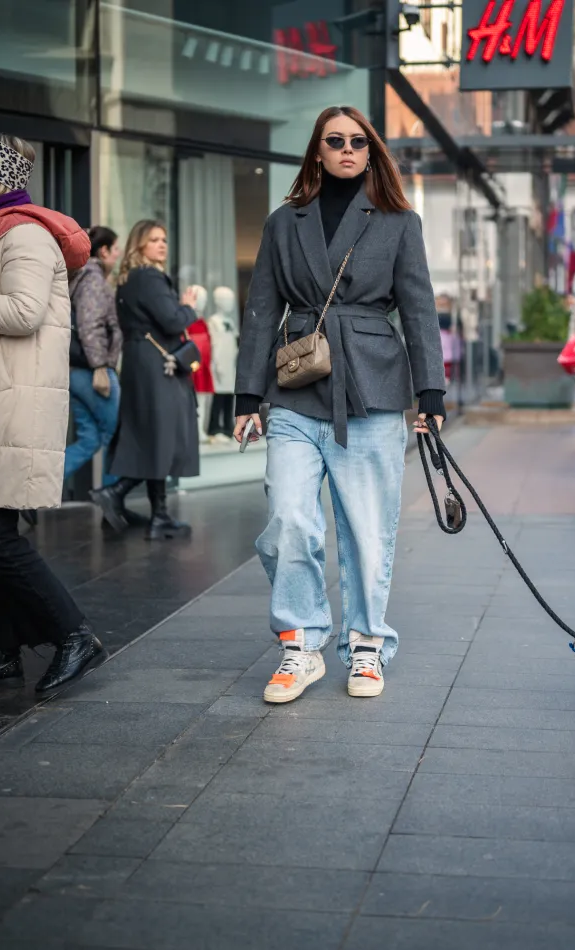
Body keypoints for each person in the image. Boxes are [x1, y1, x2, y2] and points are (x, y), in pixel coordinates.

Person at [233, 105, 445, 704]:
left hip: (374, 386)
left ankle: (366, 646)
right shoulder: (284, 222)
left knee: (368, 530)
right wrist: (248, 396)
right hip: (297, 387)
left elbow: (420, 307)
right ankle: (300, 644)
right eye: (335, 140)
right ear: (317, 151)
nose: (348, 149)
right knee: (288, 519)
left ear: (371, 152)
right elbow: (261, 311)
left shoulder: (399, 221)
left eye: (359, 142)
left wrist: (431, 393)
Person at [0, 132, 106, 693]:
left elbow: (21, 310)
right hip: (4, 400)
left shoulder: (24, 235)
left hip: (13, 405)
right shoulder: (3, 233)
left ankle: (73, 634)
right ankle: (4, 648)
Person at [90, 220, 199, 539]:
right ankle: (116, 493)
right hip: (157, 365)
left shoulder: (127, 279)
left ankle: (159, 515)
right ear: (140, 245)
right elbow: (173, 320)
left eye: (164, 239)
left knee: (152, 436)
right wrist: (189, 308)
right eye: (154, 240)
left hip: (139, 361)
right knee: (163, 435)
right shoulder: (149, 277)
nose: (162, 244)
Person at [64, 226, 123, 485]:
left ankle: (31, 493)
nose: (118, 254)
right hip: (92, 372)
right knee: (116, 434)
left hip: (75, 371)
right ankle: (112, 499)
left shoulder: (78, 277)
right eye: (115, 249)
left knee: (90, 439)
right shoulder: (93, 279)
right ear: (104, 250)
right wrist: (100, 367)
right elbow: (90, 324)